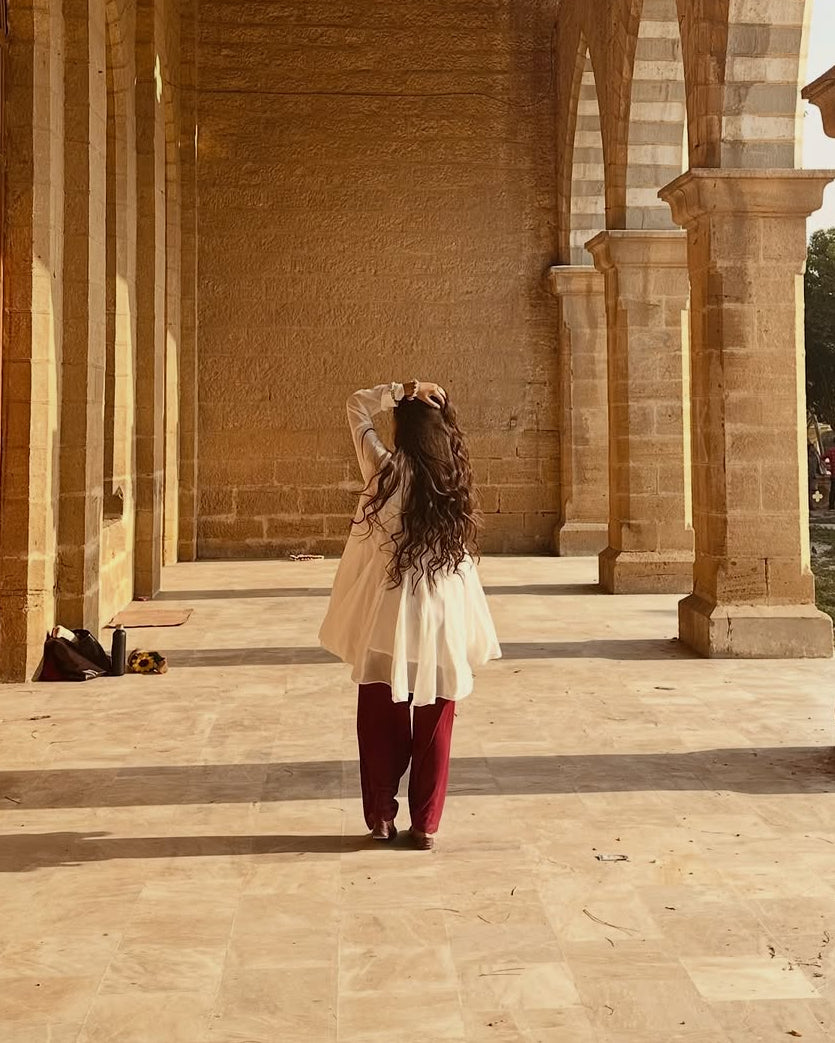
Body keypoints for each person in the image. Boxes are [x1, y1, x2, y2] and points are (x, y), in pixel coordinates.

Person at [319, 380, 501, 850]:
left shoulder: (385, 471)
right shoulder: (451, 482)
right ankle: (425, 824)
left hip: (390, 616)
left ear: (402, 429)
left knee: (380, 717)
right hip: (442, 616)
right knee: (438, 719)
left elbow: (354, 404)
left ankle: (381, 817)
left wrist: (401, 389)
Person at [824, 442, 835, 510]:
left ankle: (831, 505)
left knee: (833, 490)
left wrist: (827, 467)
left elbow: (822, 458)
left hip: (833, 474)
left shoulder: (830, 451)